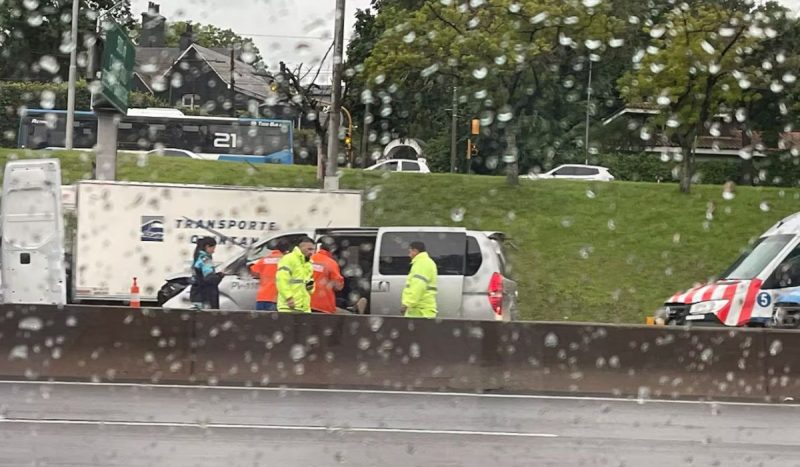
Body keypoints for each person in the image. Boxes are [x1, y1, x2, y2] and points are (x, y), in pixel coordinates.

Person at [276, 236, 315, 312]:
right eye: (309, 249)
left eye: (313, 249)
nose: (311, 252)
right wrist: (289, 298)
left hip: (304, 308)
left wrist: (311, 287)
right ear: (300, 248)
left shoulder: (308, 262)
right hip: (288, 307)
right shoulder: (289, 259)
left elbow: (310, 280)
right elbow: (281, 280)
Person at [401, 241, 438, 318]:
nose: (409, 255)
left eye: (410, 251)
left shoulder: (421, 263)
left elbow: (418, 286)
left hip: (420, 311)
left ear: (415, 251)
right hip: (421, 310)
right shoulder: (426, 262)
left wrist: (407, 304)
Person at [250, 240, 287, 311]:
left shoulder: (265, 259)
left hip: (262, 297)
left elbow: (254, 273)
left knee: (261, 320)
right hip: (277, 299)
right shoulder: (287, 261)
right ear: (286, 251)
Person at [310, 236, 345, 314]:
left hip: (305, 304)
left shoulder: (308, 259)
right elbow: (339, 286)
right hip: (324, 306)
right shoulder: (331, 263)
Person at [189, 237, 225, 310]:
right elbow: (209, 278)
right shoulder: (205, 259)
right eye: (213, 248)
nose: (213, 251)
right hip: (205, 296)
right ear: (207, 246)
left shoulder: (197, 257)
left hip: (197, 295)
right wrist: (220, 275)